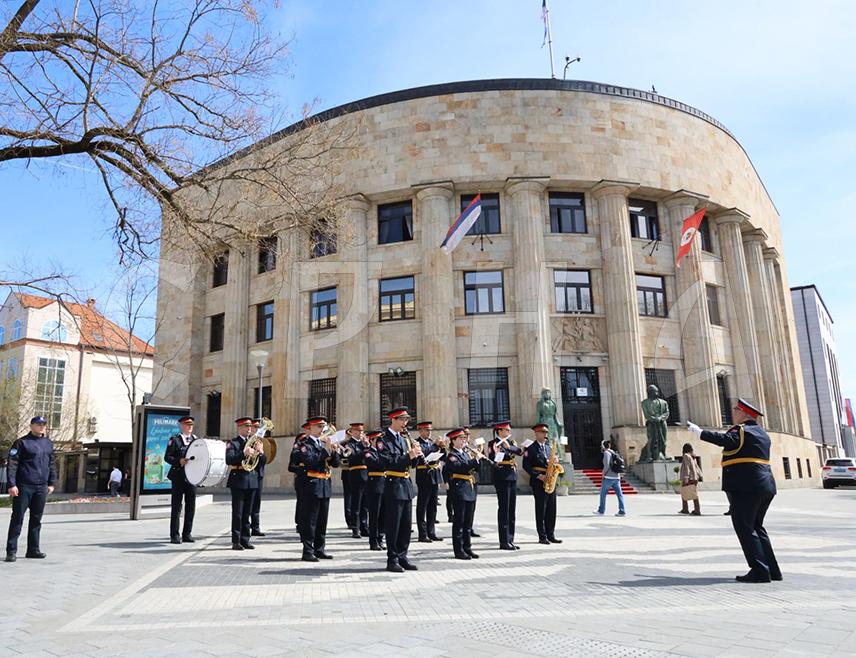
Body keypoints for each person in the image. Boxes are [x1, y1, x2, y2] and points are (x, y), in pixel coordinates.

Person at [688, 398, 782, 583]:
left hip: (746, 486)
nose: (733, 412)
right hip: (765, 485)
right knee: (756, 527)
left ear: (743, 414)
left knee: (745, 527)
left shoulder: (741, 431)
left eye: (735, 410)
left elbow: (725, 439)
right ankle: (772, 569)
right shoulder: (762, 434)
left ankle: (759, 571)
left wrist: (700, 433)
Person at [5, 417, 56, 562]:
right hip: (24, 486)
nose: (41, 427)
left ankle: (33, 550)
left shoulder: (48, 443)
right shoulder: (21, 443)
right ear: (31, 425)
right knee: (17, 518)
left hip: (41, 487)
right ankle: (11, 551)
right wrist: (12, 484)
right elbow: (12, 464)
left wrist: (51, 483)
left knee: (36, 519)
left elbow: (51, 464)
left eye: (44, 424)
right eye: (38, 424)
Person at [377, 407, 421, 573]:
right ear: (393, 420)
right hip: (393, 485)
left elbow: (411, 465)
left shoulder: (404, 440)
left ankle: (403, 556)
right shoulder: (383, 440)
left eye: (406, 420)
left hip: (406, 485)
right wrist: (408, 456)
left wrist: (416, 455)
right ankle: (392, 559)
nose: (405, 423)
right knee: (393, 525)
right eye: (402, 420)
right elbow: (387, 462)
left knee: (405, 525)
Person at [299, 416, 340, 561]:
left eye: (322, 427)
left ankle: (319, 549)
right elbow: (310, 462)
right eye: (318, 427)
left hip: (324, 485)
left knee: (322, 520)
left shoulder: (324, 443)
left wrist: (333, 451)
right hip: (312, 484)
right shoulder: (305, 445)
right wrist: (325, 450)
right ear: (310, 428)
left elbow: (335, 464)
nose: (321, 430)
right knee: (311, 520)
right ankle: (308, 551)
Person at [225, 417, 265, 551]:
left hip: (252, 479)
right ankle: (236, 541)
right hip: (238, 479)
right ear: (239, 428)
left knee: (247, 511)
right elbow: (229, 459)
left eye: (250, 427)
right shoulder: (233, 443)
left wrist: (261, 451)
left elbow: (262, 462)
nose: (249, 429)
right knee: (238, 512)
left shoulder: (254, 442)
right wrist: (243, 453)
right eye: (246, 427)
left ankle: (245, 539)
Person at [444, 428, 483, 560]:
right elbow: (461, 467)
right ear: (453, 441)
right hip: (459, 490)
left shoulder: (466, 454)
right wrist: (473, 460)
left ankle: (467, 547)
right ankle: (458, 550)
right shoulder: (452, 455)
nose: (463, 440)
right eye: (460, 438)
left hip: (469, 488)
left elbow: (474, 469)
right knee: (459, 522)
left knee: (468, 522)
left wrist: (477, 459)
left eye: (464, 438)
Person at [523, 423, 562, 544]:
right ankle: (542, 536)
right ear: (537, 433)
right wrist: (538, 475)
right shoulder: (530, 448)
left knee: (551, 508)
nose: (546, 435)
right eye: (543, 432)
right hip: (538, 481)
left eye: (546, 432)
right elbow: (526, 465)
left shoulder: (549, 447)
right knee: (541, 508)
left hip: (550, 479)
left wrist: (555, 462)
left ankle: (551, 534)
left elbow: (550, 462)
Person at [164, 416, 199, 543]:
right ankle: (174, 535)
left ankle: (187, 534)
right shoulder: (175, 440)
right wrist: (178, 461)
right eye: (187, 424)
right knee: (177, 507)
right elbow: (167, 457)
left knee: (191, 507)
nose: (190, 427)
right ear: (181, 425)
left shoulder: (196, 440)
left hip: (192, 478)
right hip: (178, 476)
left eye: (191, 425)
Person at [488, 420, 522, 550]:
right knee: (504, 508)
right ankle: (503, 541)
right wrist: (497, 454)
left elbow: (519, 452)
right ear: (499, 431)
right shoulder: (493, 443)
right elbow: (492, 460)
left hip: (512, 476)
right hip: (501, 476)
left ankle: (510, 539)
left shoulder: (511, 442)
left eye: (509, 430)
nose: (509, 432)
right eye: (507, 430)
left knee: (511, 509)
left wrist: (509, 447)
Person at [414, 420, 443, 543]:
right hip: (424, 475)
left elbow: (441, 455)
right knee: (422, 506)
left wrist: (442, 447)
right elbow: (422, 456)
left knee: (433, 506)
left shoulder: (432, 443)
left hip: (434, 476)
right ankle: (422, 533)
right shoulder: (417, 443)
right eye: (426, 430)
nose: (429, 433)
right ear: (420, 431)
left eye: (430, 430)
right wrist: (435, 447)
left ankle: (431, 532)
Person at [342, 422, 369, 538]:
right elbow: (353, 456)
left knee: (365, 503)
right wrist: (365, 448)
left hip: (366, 474)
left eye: (362, 431)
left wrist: (367, 446)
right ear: (352, 432)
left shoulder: (364, 444)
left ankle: (364, 526)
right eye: (358, 431)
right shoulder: (349, 444)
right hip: (355, 474)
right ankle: (355, 528)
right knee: (356, 503)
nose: (360, 433)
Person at [363, 430, 386, 551]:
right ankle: (373, 541)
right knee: (374, 515)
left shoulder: (383, 452)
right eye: (377, 440)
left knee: (383, 514)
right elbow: (378, 464)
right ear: (371, 440)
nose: (380, 443)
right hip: (374, 486)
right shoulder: (368, 453)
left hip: (385, 485)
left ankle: (380, 538)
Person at [594, 439, 627, 517]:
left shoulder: (606, 453)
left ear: (603, 446)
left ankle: (601, 510)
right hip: (617, 477)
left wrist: (603, 474)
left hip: (608, 477)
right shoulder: (613, 452)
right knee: (619, 494)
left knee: (603, 494)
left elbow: (606, 465)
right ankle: (622, 511)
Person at [288, 425, 310, 534]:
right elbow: (291, 467)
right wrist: (301, 469)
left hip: (312, 478)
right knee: (301, 502)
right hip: (301, 479)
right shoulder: (299, 447)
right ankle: (300, 524)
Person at [250, 418, 267, 537]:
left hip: (258, 475)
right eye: (254, 427)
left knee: (256, 502)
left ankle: (255, 527)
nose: (256, 430)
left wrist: (260, 451)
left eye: (257, 427)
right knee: (248, 503)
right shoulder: (247, 442)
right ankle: (245, 527)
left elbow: (264, 461)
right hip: (248, 475)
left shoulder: (260, 442)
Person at [679, 443, 702, 515]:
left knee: (684, 492)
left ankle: (686, 509)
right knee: (693, 493)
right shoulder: (693, 456)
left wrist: (686, 477)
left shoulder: (686, 456)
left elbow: (687, 467)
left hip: (689, 478)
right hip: (694, 477)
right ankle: (696, 509)